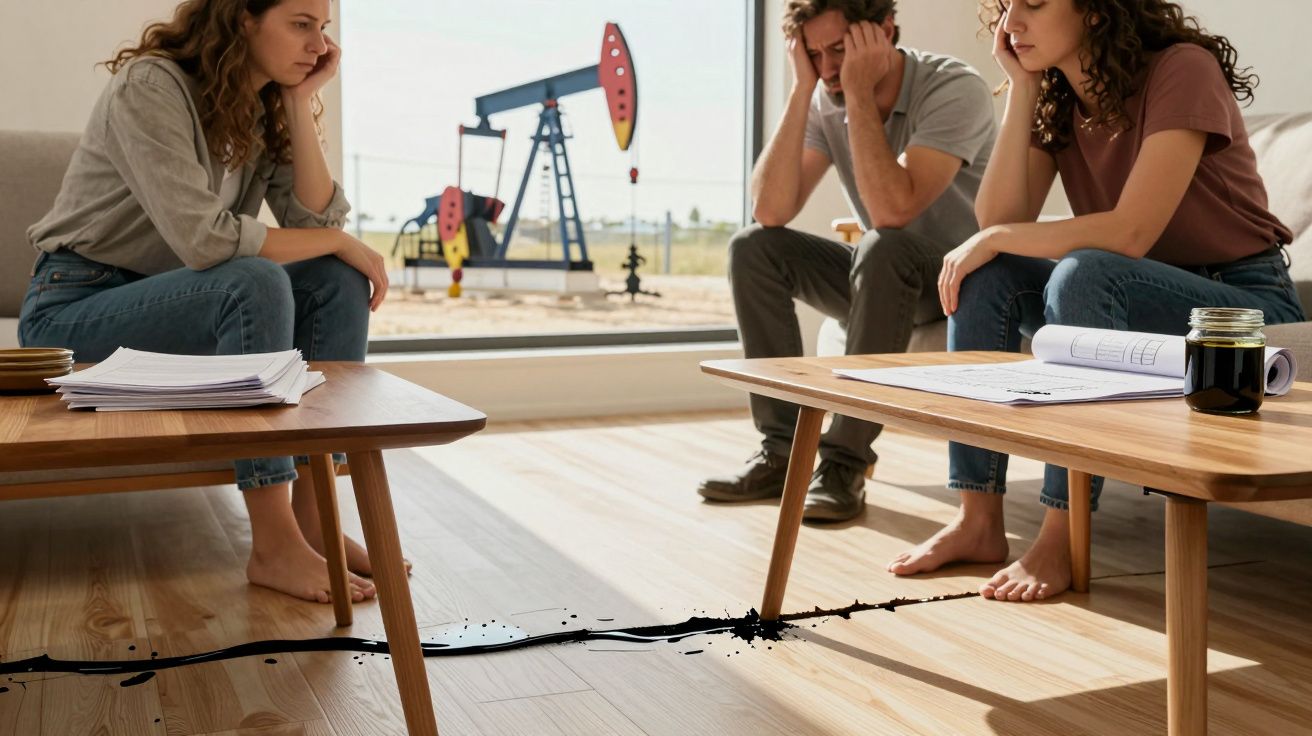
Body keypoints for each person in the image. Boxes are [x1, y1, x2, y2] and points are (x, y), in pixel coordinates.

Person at [888, 0, 1305, 600]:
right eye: (1006, 6)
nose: (1012, 23)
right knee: (989, 272)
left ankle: (1064, 532)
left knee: (1084, 274)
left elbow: (1132, 231)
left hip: (1240, 306)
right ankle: (978, 519)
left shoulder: (1180, 70)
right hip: (1135, 289)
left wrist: (999, 236)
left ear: (1094, 9)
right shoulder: (1059, 98)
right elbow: (999, 221)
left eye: (1034, 3)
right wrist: (1024, 88)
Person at [19, 0, 395, 604]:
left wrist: (299, 102)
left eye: (322, 29)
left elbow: (315, 217)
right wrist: (335, 237)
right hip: (73, 309)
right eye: (301, 24)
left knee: (335, 279)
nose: (318, 45)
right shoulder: (151, 86)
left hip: (177, 304)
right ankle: (272, 542)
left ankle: (314, 518)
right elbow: (206, 241)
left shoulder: (262, 106)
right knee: (254, 278)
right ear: (243, 18)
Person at [698, 0, 997, 522]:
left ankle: (844, 463)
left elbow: (893, 211)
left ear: (883, 30)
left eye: (839, 49)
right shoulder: (822, 96)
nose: (830, 68)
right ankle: (784, 453)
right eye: (815, 54)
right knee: (753, 248)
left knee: (884, 244)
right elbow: (770, 208)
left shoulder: (954, 87)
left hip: (961, 283)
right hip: (883, 272)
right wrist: (801, 89)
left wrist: (857, 94)